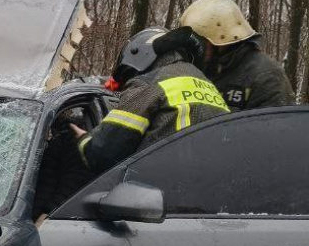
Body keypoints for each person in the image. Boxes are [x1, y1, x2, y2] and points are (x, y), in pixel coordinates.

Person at [74, 27, 229, 173]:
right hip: (209, 180)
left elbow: (102, 154)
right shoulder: (207, 85)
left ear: (139, 54)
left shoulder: (151, 82)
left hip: (162, 183)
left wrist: (82, 139)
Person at [178, 0, 291, 111]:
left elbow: (276, 121)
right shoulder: (200, 68)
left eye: (198, 41)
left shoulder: (268, 78)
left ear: (220, 39)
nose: (194, 47)